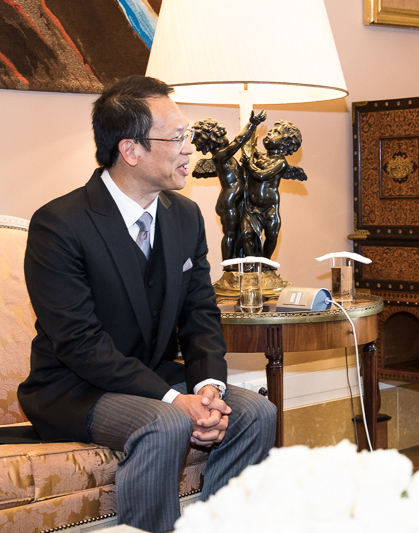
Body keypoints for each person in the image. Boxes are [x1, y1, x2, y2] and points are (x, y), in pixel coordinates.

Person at [18, 75, 277, 533]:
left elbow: (200, 314)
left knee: (258, 413)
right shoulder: (60, 224)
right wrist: (176, 400)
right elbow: (78, 342)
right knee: (166, 422)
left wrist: (208, 388)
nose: (189, 149)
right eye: (176, 138)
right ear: (130, 150)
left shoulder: (185, 216)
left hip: (153, 374)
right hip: (74, 388)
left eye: (187, 136)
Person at [191, 110, 267, 261]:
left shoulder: (226, 157)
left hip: (236, 199)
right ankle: (228, 265)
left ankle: (239, 260)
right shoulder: (221, 156)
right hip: (229, 200)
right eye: (221, 136)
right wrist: (252, 124)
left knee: (239, 233)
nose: (225, 137)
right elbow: (239, 140)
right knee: (230, 234)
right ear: (213, 140)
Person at [240, 119, 306, 260]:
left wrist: (249, 165)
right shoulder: (262, 156)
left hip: (269, 208)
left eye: (276, 132)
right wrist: (250, 134)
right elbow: (252, 150)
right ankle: (252, 262)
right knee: (246, 234)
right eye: (271, 130)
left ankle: (266, 261)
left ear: (285, 143)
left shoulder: (281, 163)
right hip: (252, 207)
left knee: (271, 236)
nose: (270, 132)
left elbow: (262, 175)